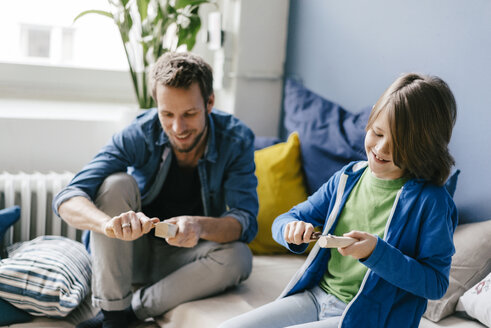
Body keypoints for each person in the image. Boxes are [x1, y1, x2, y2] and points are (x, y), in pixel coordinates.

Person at [219, 73, 458, 328]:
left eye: (397, 143)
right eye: (377, 133)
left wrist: (376, 253)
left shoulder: (432, 202)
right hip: (315, 298)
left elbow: (435, 283)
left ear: (423, 147)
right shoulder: (348, 177)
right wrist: (291, 229)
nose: (381, 148)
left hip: (368, 319)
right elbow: (286, 219)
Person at [53, 52, 258, 328]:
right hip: (128, 252)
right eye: (167, 114)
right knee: (116, 183)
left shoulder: (236, 139)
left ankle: (131, 311)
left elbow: (245, 222)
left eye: (189, 113)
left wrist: (198, 226)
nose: (178, 127)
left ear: (209, 103)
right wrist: (110, 225)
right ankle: (113, 315)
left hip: (183, 259)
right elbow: (68, 197)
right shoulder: (139, 133)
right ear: (157, 106)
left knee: (239, 257)